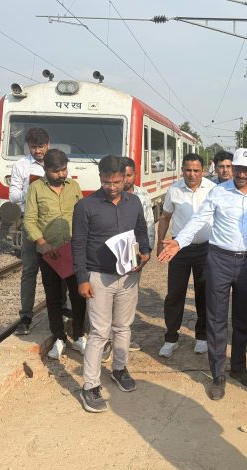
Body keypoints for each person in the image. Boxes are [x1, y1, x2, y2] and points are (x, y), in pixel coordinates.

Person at [158, 148, 247, 401]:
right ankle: (218, 375)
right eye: (238, 169)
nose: (241, 174)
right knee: (216, 319)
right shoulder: (218, 192)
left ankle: (239, 367)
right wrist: (179, 242)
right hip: (219, 260)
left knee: (242, 319)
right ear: (232, 168)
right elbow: (198, 220)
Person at [73, 156, 151, 412]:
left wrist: (145, 251)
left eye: (117, 182)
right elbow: (78, 244)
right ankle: (90, 385)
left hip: (128, 276)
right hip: (99, 277)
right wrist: (82, 279)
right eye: (107, 182)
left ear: (125, 177)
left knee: (123, 327)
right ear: (100, 178)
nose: (112, 187)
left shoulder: (134, 202)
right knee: (99, 332)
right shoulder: (85, 206)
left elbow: (141, 230)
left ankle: (119, 368)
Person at [23, 149, 86, 360]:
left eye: (64, 170)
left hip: (73, 251)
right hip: (49, 254)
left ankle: (79, 335)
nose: (61, 174)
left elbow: (82, 214)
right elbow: (29, 220)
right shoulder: (35, 189)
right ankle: (59, 337)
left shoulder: (74, 186)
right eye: (56, 171)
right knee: (54, 297)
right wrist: (42, 242)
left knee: (78, 295)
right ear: (45, 169)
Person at [157, 153, 216, 357]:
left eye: (196, 170)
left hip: (206, 249)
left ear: (203, 171)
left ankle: (202, 337)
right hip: (179, 249)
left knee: (204, 293)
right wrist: (160, 242)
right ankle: (171, 338)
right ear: (182, 170)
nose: (192, 174)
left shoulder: (212, 189)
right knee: (175, 294)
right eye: (188, 170)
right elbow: (165, 217)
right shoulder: (174, 190)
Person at [9, 128, 48, 335]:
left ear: (48, 145)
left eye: (41, 146)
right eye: (33, 147)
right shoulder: (21, 165)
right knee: (29, 270)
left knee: (57, 270)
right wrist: (30, 188)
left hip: (51, 223)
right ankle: (25, 316)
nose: (38, 151)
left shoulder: (56, 161)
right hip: (29, 221)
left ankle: (61, 310)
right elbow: (13, 196)